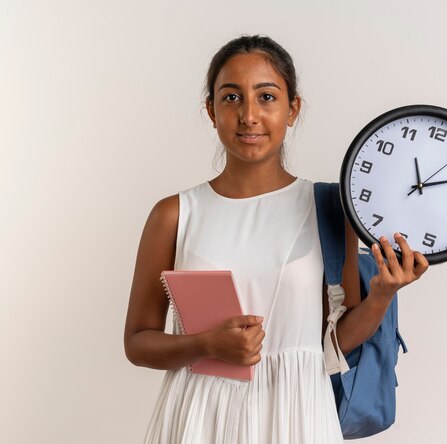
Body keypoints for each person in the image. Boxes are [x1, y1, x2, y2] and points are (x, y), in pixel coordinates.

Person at [124, 35, 429, 444]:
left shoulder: (330, 207)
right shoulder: (174, 214)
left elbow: (334, 343)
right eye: (231, 98)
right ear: (211, 111)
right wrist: (205, 344)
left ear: (292, 109)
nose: (249, 115)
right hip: (198, 417)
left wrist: (382, 295)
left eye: (266, 96)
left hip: (297, 414)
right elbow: (138, 342)